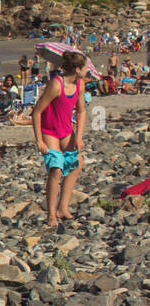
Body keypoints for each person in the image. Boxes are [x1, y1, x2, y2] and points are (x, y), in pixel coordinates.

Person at [32, 50, 87, 228]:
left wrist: (78, 137)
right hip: (49, 131)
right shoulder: (56, 85)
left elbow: (81, 111)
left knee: (76, 164)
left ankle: (63, 208)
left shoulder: (80, 84)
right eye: (85, 68)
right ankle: (51, 214)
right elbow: (37, 112)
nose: (87, 71)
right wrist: (39, 140)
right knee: (56, 169)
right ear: (77, 69)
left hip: (66, 130)